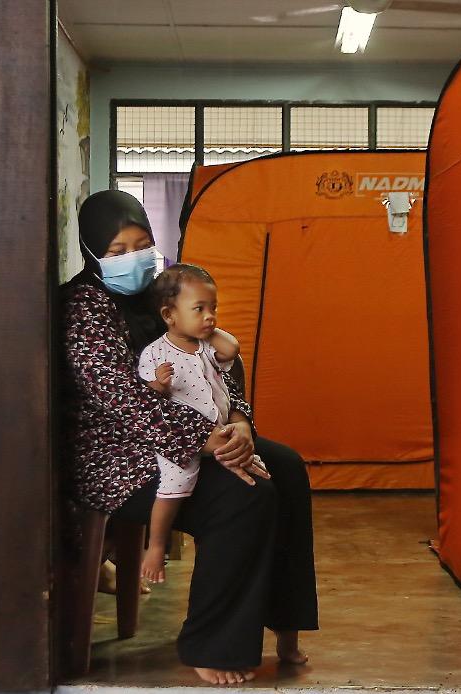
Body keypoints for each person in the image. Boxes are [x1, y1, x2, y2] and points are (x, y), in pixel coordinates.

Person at [60, 190, 318, 685]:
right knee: (243, 493)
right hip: (118, 457)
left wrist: (240, 423)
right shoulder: (84, 309)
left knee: (284, 468)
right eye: (117, 251)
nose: (133, 258)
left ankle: (285, 624)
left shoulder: (163, 295)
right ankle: (212, 643)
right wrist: (210, 440)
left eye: (143, 244)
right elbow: (120, 400)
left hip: (191, 435)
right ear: (92, 253)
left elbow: (224, 366)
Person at [137, 263, 268, 584]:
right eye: (199, 309)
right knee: (176, 485)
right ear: (169, 315)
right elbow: (143, 398)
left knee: (256, 470)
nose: (210, 316)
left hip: (221, 432)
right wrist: (158, 385)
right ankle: (156, 545)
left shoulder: (207, 347)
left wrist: (206, 324)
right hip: (184, 441)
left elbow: (232, 350)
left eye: (214, 308)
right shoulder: (155, 353)